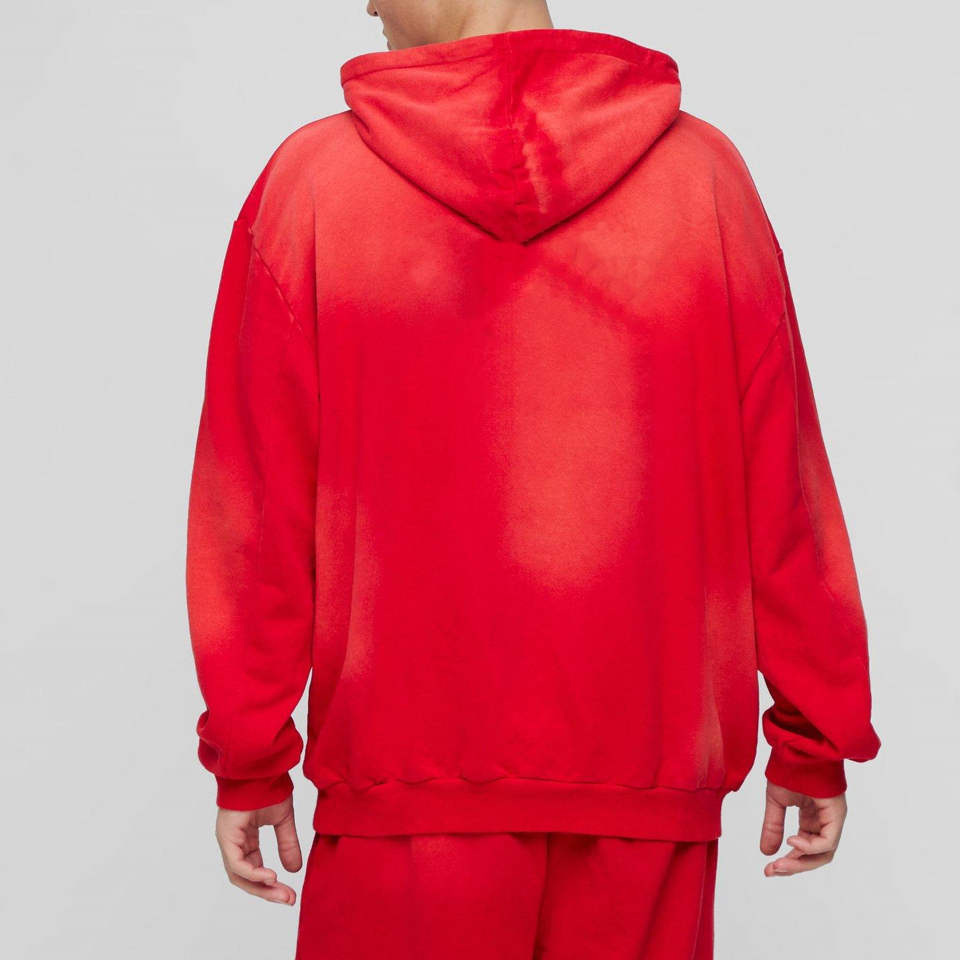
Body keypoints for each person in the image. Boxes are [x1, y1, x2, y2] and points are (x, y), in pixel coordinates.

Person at [185, 1, 881, 956]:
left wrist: (249, 751)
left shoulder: (317, 187)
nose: (367, 3)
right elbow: (784, 484)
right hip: (645, 794)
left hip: (404, 800)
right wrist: (816, 730)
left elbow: (254, 507)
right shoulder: (702, 183)